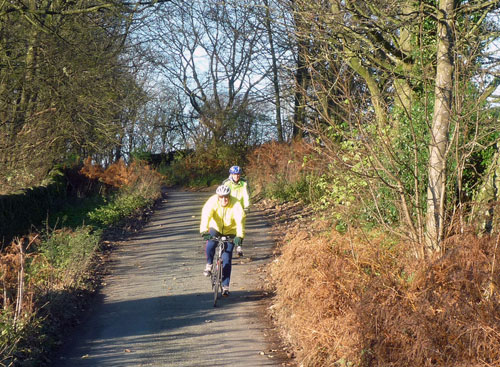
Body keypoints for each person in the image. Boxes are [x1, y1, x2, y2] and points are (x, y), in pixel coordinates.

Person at [200, 185, 246, 296]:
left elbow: (240, 222)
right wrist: (204, 231)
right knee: (211, 243)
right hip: (215, 228)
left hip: (231, 230)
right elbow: (206, 215)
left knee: (227, 258)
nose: (224, 199)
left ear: (229, 196)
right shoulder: (212, 202)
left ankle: (225, 286)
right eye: (221, 197)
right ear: (218, 197)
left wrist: (239, 237)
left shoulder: (236, 204)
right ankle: (209, 264)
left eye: (226, 197)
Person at [223, 166, 249, 257]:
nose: (236, 176)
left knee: (240, 227)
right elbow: (223, 195)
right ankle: (224, 246)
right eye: (234, 174)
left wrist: (246, 206)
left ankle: (238, 246)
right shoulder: (226, 183)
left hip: (240, 208)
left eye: (238, 174)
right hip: (229, 208)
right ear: (231, 174)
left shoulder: (243, 183)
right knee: (227, 226)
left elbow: (246, 195)